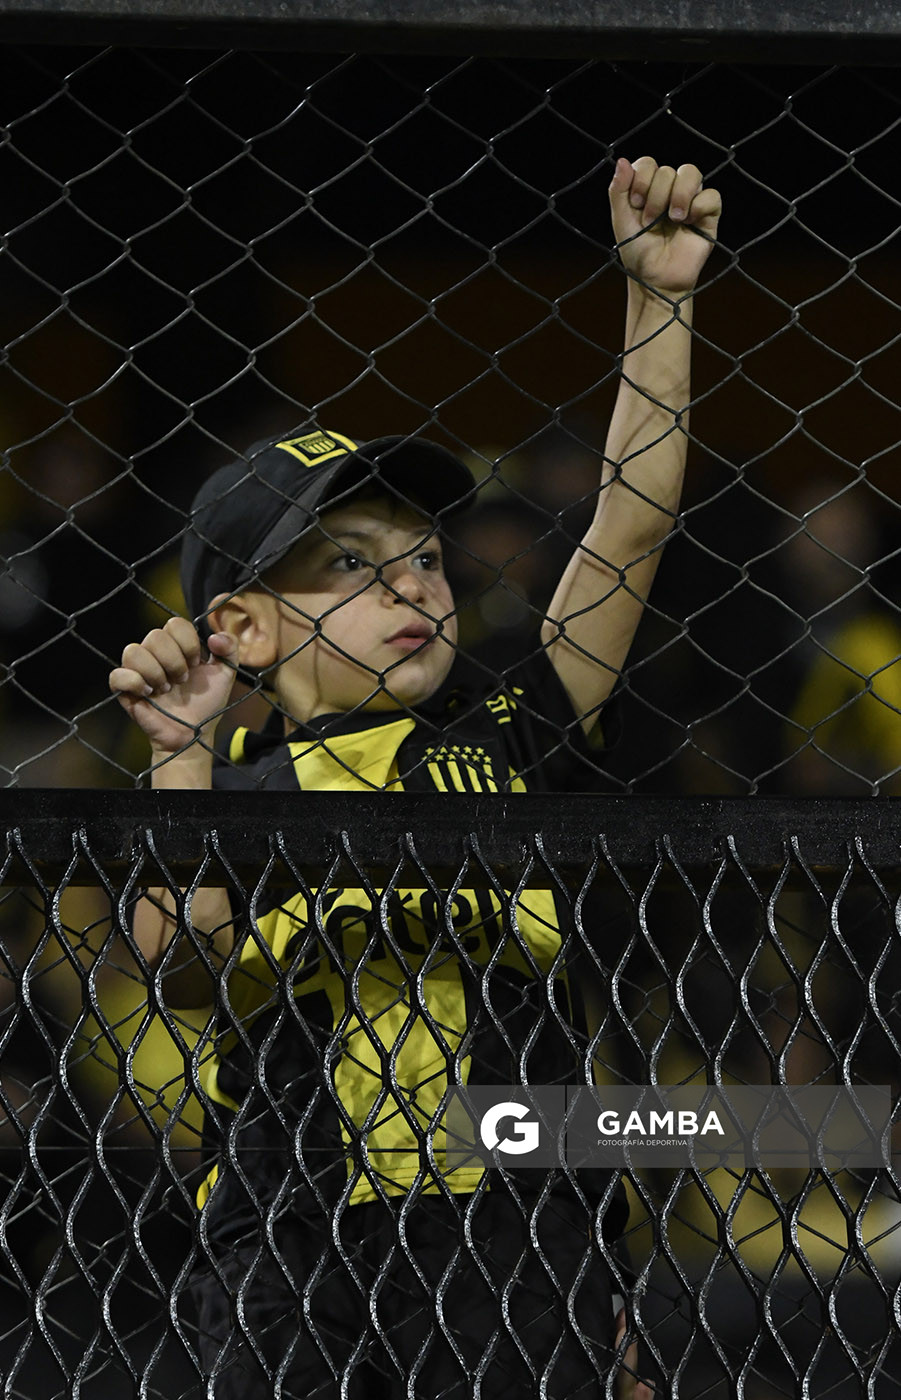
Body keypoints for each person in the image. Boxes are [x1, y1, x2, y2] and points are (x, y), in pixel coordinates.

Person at [109, 156, 721, 1399]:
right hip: (294, 1217)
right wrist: (175, 750)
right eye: (348, 559)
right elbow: (176, 957)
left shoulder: (502, 729)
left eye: (426, 556)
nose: (412, 585)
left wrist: (659, 300)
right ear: (245, 628)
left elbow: (630, 524)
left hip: (519, 1215)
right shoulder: (227, 786)